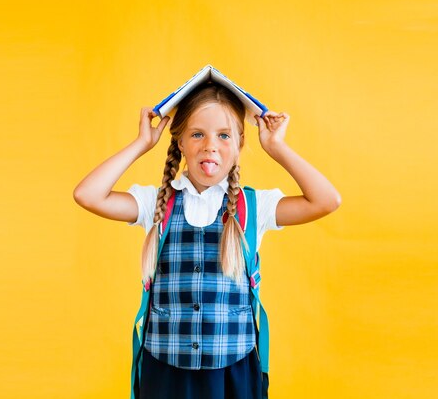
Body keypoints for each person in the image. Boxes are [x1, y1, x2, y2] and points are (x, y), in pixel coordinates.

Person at [73, 81, 341, 399]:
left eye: (224, 135)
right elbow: (87, 195)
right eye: (197, 134)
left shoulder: (255, 207)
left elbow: (327, 200)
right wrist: (141, 143)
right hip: (165, 372)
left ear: (241, 143)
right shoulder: (154, 202)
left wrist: (277, 148)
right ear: (181, 142)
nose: (210, 145)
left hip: (234, 373)